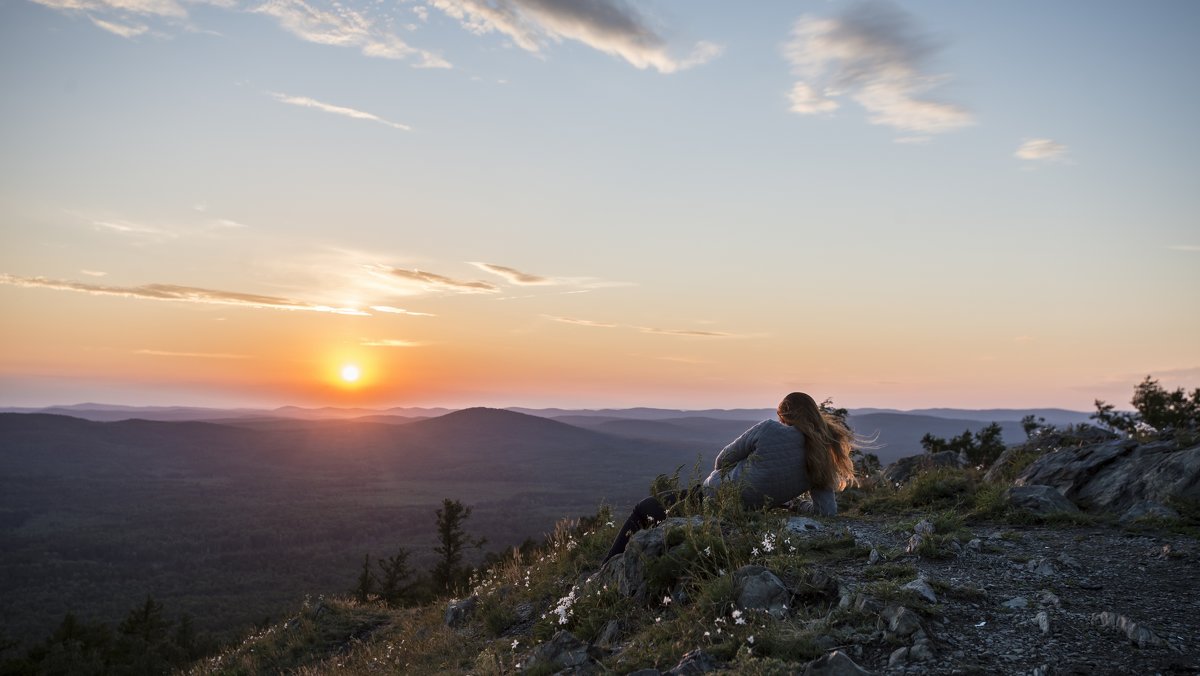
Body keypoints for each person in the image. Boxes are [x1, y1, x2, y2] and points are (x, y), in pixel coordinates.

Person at [602, 392, 858, 563]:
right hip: (749, 510)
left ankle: (605, 567)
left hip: (713, 497)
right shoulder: (822, 455)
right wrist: (792, 503)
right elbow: (827, 512)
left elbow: (723, 459)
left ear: (784, 416)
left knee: (645, 508)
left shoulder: (768, 429)